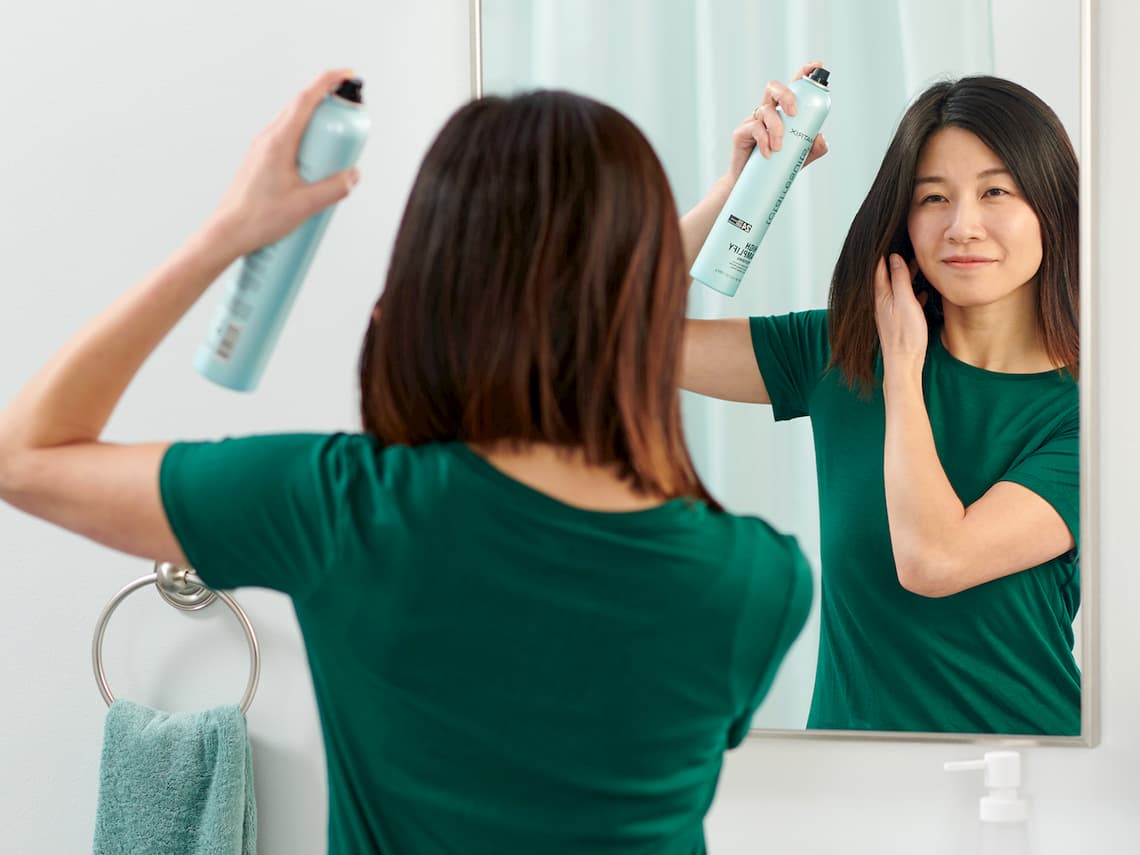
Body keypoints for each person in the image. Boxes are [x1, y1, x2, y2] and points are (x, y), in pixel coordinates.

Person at [0, 70, 812, 854]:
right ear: (640, 289)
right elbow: (595, 324)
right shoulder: (757, 580)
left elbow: (24, 455)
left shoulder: (345, 511)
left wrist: (232, 232)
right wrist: (715, 206)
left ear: (433, 283)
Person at [680, 62, 1080, 735]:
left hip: (1032, 789)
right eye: (933, 198)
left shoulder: (1094, 420)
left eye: (996, 192)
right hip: (847, 789)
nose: (963, 226)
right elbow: (597, 335)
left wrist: (902, 375)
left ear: (1051, 206)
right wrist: (741, 188)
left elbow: (933, 558)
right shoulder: (840, 354)